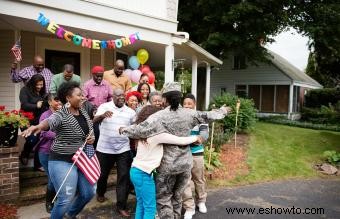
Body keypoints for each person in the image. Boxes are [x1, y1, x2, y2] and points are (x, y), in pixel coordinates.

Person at [120, 82, 230, 219]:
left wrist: (123, 129)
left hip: (167, 166)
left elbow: (139, 130)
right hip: (185, 164)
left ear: (165, 98)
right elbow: (208, 115)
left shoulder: (159, 116)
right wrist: (223, 111)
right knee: (178, 197)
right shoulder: (190, 114)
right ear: (179, 98)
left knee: (164, 199)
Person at [21, 82, 96, 219]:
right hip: (62, 160)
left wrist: (91, 137)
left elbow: (89, 130)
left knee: (89, 193)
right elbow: (50, 121)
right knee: (65, 198)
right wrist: (38, 126)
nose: (82, 97)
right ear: (68, 97)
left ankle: (70, 215)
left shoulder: (84, 111)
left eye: (82, 94)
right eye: (79, 95)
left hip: (81, 158)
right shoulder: (62, 113)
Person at [130, 105, 204, 219]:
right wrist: (195, 138)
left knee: (141, 204)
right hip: (143, 174)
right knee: (150, 207)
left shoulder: (142, 133)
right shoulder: (156, 135)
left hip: (135, 171)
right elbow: (180, 140)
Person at [94, 88, 136, 217]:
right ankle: (100, 193)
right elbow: (94, 121)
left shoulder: (130, 111)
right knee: (102, 175)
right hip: (104, 149)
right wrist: (102, 115)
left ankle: (121, 206)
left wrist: (130, 130)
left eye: (123, 96)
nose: (121, 98)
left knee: (123, 176)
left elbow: (134, 127)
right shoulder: (104, 106)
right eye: (118, 96)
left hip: (123, 148)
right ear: (113, 96)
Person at [182, 94, 209, 219]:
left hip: (197, 153)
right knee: (185, 181)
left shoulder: (201, 117)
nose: (187, 106)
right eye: (185, 103)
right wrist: (192, 138)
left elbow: (204, 135)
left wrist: (198, 139)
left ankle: (201, 201)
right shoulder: (180, 117)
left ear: (194, 104)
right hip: (183, 154)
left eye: (189, 103)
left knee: (199, 179)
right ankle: (189, 207)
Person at [36, 94, 62, 213]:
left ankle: (57, 200)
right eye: (56, 100)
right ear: (50, 102)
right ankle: (49, 202)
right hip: (46, 152)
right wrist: (59, 135)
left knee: (58, 178)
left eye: (60, 100)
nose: (59, 102)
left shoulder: (63, 114)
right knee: (52, 179)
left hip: (59, 152)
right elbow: (43, 132)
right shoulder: (45, 115)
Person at [19, 74, 48, 170]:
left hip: (39, 120)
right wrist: (36, 105)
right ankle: (25, 154)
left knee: (40, 140)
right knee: (32, 139)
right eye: (37, 85)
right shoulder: (25, 90)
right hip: (26, 119)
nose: (40, 87)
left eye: (41, 84)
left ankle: (38, 165)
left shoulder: (43, 92)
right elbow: (24, 105)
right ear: (32, 83)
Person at [83, 65, 113, 148]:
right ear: (93, 75)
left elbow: (110, 97)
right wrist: (92, 108)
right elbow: (84, 100)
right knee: (95, 136)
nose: (99, 78)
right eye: (97, 76)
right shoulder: (87, 85)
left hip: (104, 115)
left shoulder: (107, 84)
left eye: (101, 76)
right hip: (92, 115)